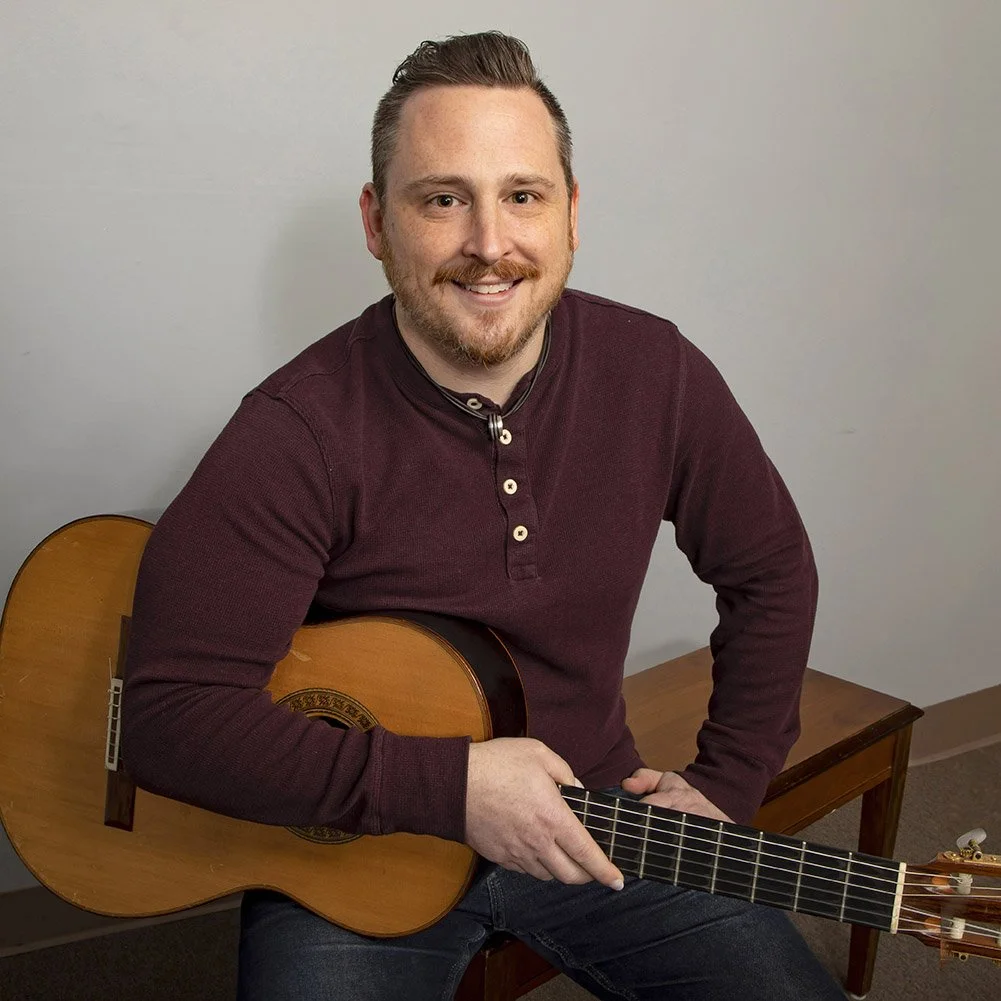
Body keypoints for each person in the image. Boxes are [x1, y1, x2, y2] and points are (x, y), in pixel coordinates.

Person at [122, 31, 844, 1001]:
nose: (488, 243)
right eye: (441, 198)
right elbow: (168, 716)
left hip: (596, 811)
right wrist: (453, 789)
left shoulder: (657, 373)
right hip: (355, 848)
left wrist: (728, 780)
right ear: (377, 222)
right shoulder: (293, 430)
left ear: (571, 214)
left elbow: (770, 569)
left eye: (521, 195)